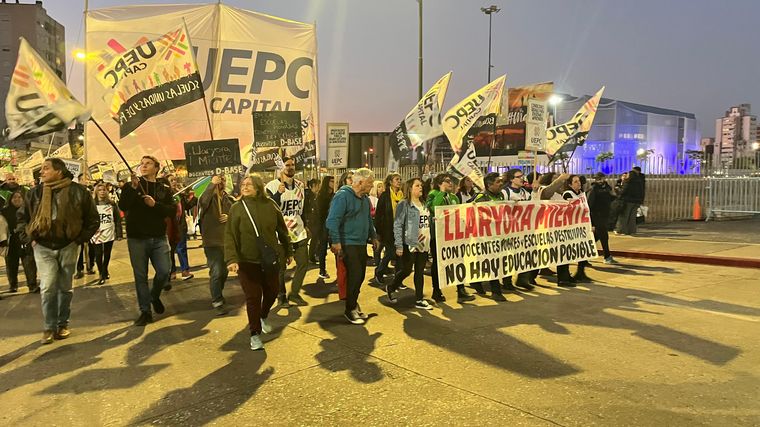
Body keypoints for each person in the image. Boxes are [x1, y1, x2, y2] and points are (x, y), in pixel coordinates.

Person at [17, 158, 99, 344]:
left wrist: (79, 239)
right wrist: (30, 239)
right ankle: (49, 326)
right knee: (47, 287)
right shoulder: (34, 193)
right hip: (43, 246)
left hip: (68, 245)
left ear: (59, 171)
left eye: (46, 169)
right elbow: (22, 218)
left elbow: (93, 220)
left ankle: (62, 324)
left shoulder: (79, 192)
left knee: (65, 288)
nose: (41, 172)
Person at [225, 174, 291, 351]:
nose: (245, 187)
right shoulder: (237, 208)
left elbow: (282, 230)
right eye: (243, 184)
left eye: (249, 184)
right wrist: (231, 259)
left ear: (258, 187)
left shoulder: (270, 205)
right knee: (253, 297)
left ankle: (263, 316)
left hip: (269, 259)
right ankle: (255, 334)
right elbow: (230, 235)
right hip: (247, 261)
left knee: (273, 291)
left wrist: (288, 250)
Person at [118, 156, 177, 326]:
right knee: (140, 276)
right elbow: (123, 206)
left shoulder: (163, 187)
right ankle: (145, 311)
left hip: (159, 237)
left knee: (164, 272)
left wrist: (155, 205)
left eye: (148, 163)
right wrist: (133, 188)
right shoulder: (131, 185)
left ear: (156, 168)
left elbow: (172, 211)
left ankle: (154, 295)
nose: (143, 166)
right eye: (141, 163)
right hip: (137, 238)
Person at [326, 168, 378, 325]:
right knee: (354, 276)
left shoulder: (364, 198)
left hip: (360, 243)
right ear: (360, 182)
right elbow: (332, 220)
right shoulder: (342, 196)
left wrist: (373, 236)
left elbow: (368, 219)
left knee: (360, 275)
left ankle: (353, 304)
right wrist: (335, 241)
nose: (371, 186)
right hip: (347, 242)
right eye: (369, 183)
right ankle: (350, 310)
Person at [265, 156, 309, 307]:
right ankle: (281, 295)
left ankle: (295, 293)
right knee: (281, 268)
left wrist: (306, 224)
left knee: (303, 263)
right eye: (287, 165)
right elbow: (268, 209)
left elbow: (302, 209)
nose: (290, 167)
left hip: (299, 231)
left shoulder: (300, 186)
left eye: (292, 164)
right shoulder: (271, 186)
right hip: (281, 233)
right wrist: (277, 195)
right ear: (280, 168)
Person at [385, 177, 434, 310]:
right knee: (407, 269)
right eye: (417, 186)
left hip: (424, 243)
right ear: (410, 188)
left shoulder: (425, 204)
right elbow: (398, 225)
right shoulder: (404, 204)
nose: (420, 188)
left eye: (421, 186)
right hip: (410, 242)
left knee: (419, 271)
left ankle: (419, 299)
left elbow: (427, 221)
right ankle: (392, 286)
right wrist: (399, 245)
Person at [427, 173, 474, 303]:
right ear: (439, 184)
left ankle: (461, 290)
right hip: (438, 235)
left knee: (459, 260)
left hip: (453, 235)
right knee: (438, 263)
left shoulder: (454, 197)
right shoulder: (433, 194)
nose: (450, 184)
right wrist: (441, 192)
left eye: (451, 181)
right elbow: (433, 208)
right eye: (447, 181)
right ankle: (436, 290)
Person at [199, 174, 235, 315]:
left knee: (224, 272)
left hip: (226, 242)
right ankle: (217, 300)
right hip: (212, 242)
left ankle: (217, 292)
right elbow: (202, 202)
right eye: (218, 179)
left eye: (223, 179)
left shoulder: (228, 199)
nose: (221, 182)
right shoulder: (208, 198)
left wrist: (229, 216)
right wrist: (211, 185)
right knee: (217, 271)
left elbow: (236, 214)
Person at [471, 173, 509, 301]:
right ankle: (496, 291)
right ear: (489, 185)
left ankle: (476, 281)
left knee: (493, 262)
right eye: (498, 182)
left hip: (498, 235)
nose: (501, 184)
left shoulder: (501, 195)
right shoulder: (481, 197)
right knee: (491, 262)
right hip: (484, 236)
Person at [504, 169, 536, 291]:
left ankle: (523, 279)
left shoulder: (525, 193)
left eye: (522, 176)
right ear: (512, 179)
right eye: (519, 177)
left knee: (526, 254)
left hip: (524, 229)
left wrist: (535, 191)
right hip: (510, 230)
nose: (522, 178)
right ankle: (507, 282)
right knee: (509, 257)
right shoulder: (505, 192)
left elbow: (534, 205)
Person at [1, 190, 38, 293]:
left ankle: (32, 284)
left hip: (25, 240)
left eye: (19, 197)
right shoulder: (5, 211)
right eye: (14, 198)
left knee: (29, 264)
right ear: (10, 199)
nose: (17, 199)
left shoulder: (28, 210)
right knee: (11, 265)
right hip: (11, 242)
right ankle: (13, 285)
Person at [558, 175, 592, 284]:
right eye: (575, 181)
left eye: (579, 181)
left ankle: (574, 275)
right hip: (567, 228)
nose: (579, 183)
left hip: (578, 228)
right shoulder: (567, 194)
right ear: (569, 184)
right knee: (565, 253)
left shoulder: (580, 194)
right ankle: (562, 278)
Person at [372, 173, 403, 285]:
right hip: (388, 230)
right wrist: (379, 232)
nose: (399, 181)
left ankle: (398, 279)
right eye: (396, 179)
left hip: (400, 230)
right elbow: (379, 215)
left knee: (400, 255)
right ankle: (379, 272)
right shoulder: (385, 196)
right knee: (390, 253)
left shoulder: (402, 195)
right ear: (390, 182)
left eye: (400, 179)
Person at [91, 181, 122, 285]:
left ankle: (105, 269)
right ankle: (101, 273)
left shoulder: (112, 204)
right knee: (98, 254)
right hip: (96, 233)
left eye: (104, 189)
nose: (102, 192)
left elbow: (117, 219)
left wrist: (119, 233)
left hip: (109, 231)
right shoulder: (92, 204)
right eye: (99, 190)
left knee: (107, 254)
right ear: (96, 192)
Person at [587, 172, 616, 264]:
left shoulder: (607, 187)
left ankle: (585, 253)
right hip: (597, 215)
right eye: (597, 179)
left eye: (601, 178)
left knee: (597, 236)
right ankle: (607, 256)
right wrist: (590, 219)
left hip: (605, 214)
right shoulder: (593, 189)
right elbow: (589, 204)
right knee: (603, 236)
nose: (599, 180)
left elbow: (611, 197)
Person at [315, 175, 334, 279]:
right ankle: (322, 269)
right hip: (323, 225)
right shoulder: (321, 196)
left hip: (332, 225)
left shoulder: (334, 195)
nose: (333, 183)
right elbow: (320, 213)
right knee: (323, 248)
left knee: (336, 247)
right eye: (331, 181)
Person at [615, 168, 645, 235]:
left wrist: (618, 189)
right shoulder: (640, 181)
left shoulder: (628, 182)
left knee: (624, 216)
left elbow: (623, 191)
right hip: (637, 201)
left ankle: (621, 230)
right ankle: (632, 231)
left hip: (628, 201)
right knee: (632, 217)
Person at [304, 178, 320, 263]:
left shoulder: (315, 195)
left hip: (314, 220)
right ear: (311, 186)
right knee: (311, 238)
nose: (318, 188)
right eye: (316, 186)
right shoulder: (308, 196)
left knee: (314, 239)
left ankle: (310, 256)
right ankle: (309, 256)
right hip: (310, 220)